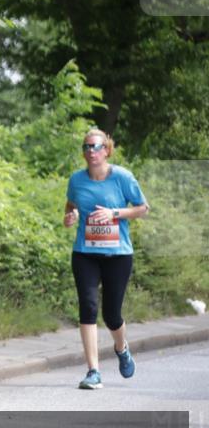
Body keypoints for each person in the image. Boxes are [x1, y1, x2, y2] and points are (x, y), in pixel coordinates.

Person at [63, 128, 149, 390]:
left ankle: (121, 348)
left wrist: (114, 213)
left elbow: (143, 209)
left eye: (96, 146)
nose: (91, 151)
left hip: (118, 255)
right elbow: (71, 206)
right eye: (87, 146)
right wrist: (72, 216)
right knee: (88, 307)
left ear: (107, 150)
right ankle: (93, 371)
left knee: (112, 315)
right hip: (85, 253)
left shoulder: (122, 177)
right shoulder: (76, 180)